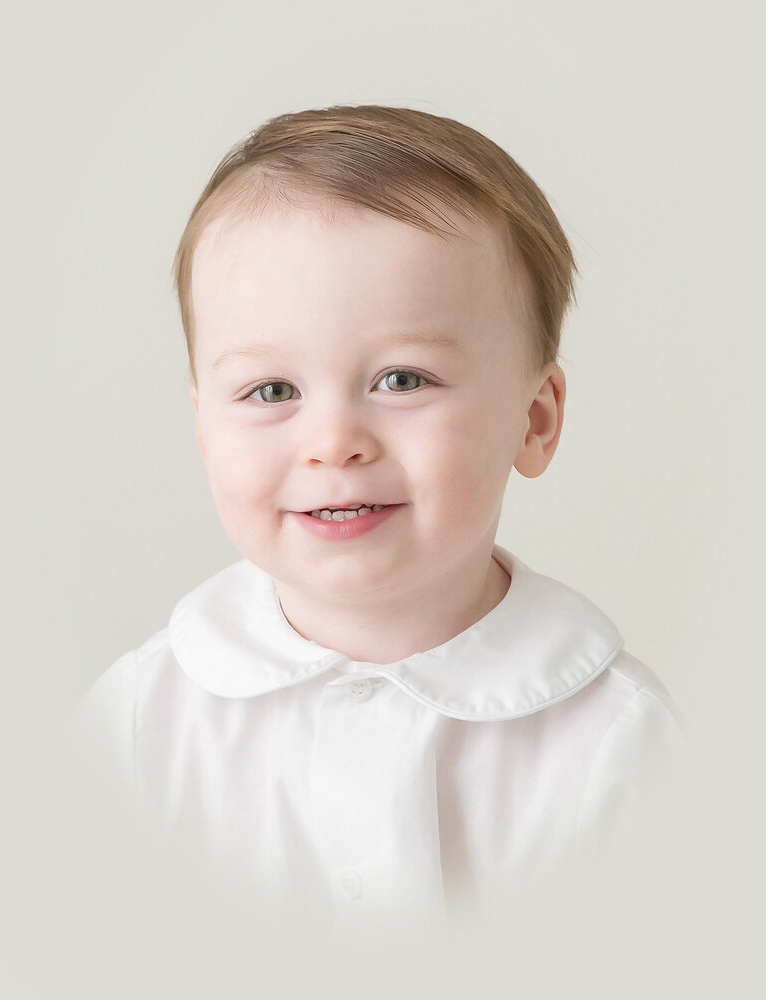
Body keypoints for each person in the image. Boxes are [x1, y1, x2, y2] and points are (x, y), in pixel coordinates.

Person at [76, 104, 684, 925]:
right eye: (272, 391)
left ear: (533, 421)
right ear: (203, 430)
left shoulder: (619, 745)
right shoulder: (143, 724)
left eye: (402, 380)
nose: (334, 443)